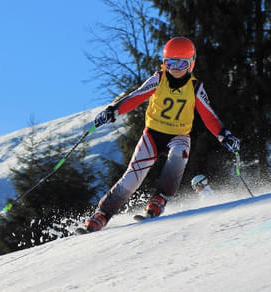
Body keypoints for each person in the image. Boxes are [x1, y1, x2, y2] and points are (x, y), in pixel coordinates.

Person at [84, 36, 240, 232]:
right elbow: (136, 96)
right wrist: (113, 111)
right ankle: (102, 214)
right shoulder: (159, 79)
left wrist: (223, 135)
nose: (175, 68)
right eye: (170, 63)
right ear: (164, 63)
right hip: (153, 134)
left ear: (191, 64)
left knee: (179, 154)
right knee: (132, 178)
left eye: (181, 63)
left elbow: (209, 116)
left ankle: (160, 198)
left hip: (179, 135)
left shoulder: (195, 87)